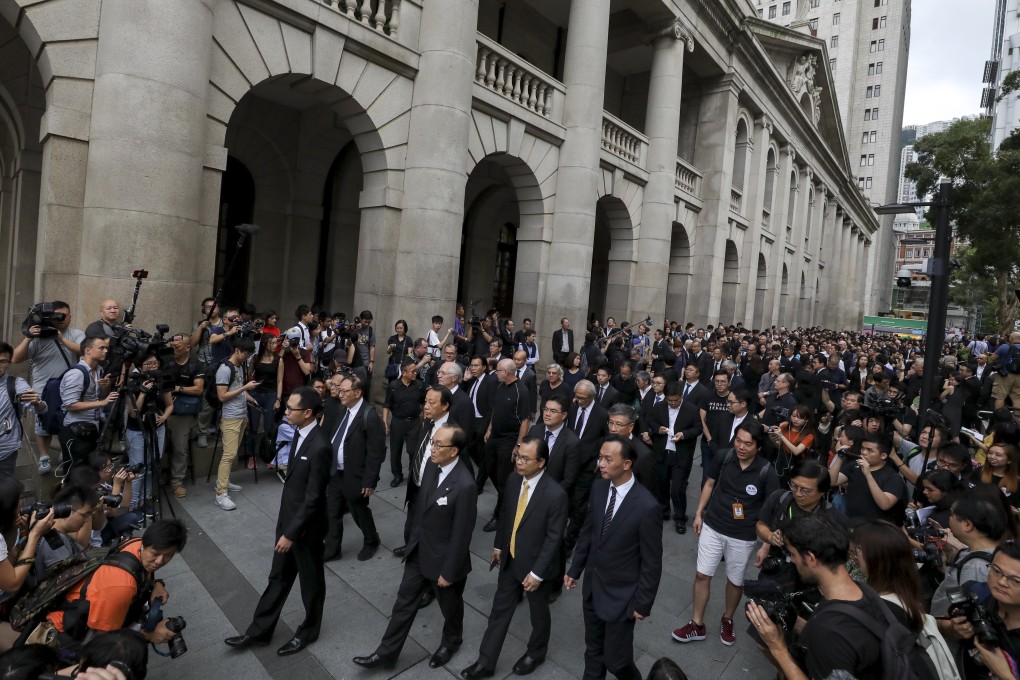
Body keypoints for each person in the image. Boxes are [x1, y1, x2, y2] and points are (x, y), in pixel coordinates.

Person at [354, 424, 477, 670]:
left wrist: (449, 572)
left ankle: (451, 641)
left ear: (454, 451)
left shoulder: (465, 485)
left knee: (450, 609)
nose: (432, 448)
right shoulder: (432, 466)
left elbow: (462, 535)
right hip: (419, 553)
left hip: (444, 562)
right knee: (403, 603)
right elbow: (421, 510)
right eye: (433, 442)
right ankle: (386, 653)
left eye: (438, 444)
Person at [225, 386, 332, 656]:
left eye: (291, 409)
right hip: (288, 523)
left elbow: (313, 498)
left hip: (305, 531)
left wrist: (291, 533)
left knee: (311, 584)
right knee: (278, 578)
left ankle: (308, 631)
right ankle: (258, 632)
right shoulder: (298, 433)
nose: (285, 412)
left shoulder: (320, 446)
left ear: (307, 413)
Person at [746, 513, 907, 680]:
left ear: (811, 558)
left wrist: (778, 648)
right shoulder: (864, 591)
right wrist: (796, 621)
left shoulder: (829, 632)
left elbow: (834, 639)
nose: (792, 561)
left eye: (793, 555)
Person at [460, 435, 569, 679]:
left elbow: (554, 539)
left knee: (538, 613)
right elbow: (507, 515)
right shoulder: (512, 480)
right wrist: (499, 546)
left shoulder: (555, 494)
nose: (518, 462)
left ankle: (536, 652)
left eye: (525, 459)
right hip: (510, 560)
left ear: (541, 462)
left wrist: (538, 573)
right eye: (518, 456)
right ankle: (485, 663)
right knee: (499, 610)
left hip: (535, 569)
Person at [564, 434, 663, 680]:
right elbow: (588, 531)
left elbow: (652, 562)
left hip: (622, 596)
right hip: (593, 587)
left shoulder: (646, 506)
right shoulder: (598, 488)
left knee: (617, 661)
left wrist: (642, 604)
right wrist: (574, 569)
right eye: (600, 458)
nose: (601, 464)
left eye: (608, 459)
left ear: (627, 464)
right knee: (593, 650)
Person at [673, 421, 779, 647]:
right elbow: (710, 484)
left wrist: (766, 544)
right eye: (738, 440)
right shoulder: (724, 457)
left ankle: (727, 618)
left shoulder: (766, 471)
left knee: (735, 580)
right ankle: (696, 623)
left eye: (747, 444)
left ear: (758, 447)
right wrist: (699, 513)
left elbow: (772, 510)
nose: (741, 446)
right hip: (713, 525)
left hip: (743, 535)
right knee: (702, 574)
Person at [46, 519, 187, 644]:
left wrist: (156, 584)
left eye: (168, 555)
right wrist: (150, 635)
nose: (159, 561)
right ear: (145, 544)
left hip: (89, 615)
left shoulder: (135, 544)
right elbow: (104, 639)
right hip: (68, 631)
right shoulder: (121, 586)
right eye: (155, 554)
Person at [9, 300, 84, 475]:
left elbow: (82, 350)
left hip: (69, 387)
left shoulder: (76, 334)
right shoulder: (38, 337)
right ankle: (44, 456)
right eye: (55, 315)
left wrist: (61, 338)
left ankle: (65, 450)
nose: (59, 319)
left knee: (67, 421)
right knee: (42, 423)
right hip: (43, 388)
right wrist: (28, 337)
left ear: (70, 317)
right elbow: (15, 359)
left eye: (63, 316)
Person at [321, 372, 385, 562]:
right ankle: (332, 549)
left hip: (355, 475)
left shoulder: (369, 416)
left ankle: (371, 540)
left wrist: (369, 480)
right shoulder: (343, 410)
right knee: (332, 512)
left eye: (344, 391)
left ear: (357, 393)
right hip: (336, 473)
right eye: (339, 390)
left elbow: (376, 452)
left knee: (358, 511)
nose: (339, 394)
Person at [753, 459, 839, 588]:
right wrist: (770, 537)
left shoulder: (831, 517)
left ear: (822, 491)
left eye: (805, 490)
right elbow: (761, 525)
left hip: (809, 579)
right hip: (776, 570)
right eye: (794, 485)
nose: (798, 493)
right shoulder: (779, 498)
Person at [946, 541, 1020, 680]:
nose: (1002, 582)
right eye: (996, 571)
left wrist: (1004, 674)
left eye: (1015, 580)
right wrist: (954, 629)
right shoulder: (976, 593)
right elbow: (941, 624)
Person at [482, 359, 532, 533]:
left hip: (509, 440)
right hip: (494, 436)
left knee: (503, 478)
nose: (496, 373)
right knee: (489, 468)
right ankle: (509, 496)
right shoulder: (500, 387)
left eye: (498, 371)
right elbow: (496, 409)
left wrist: (519, 445)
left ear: (507, 372)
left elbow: (526, 420)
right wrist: (489, 428)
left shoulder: (522, 391)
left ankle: (500, 515)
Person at [648, 383, 701, 533]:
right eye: (669, 400)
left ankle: (680, 517)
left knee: (678, 488)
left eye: (675, 400)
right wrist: (658, 429)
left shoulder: (691, 409)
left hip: (681, 455)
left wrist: (683, 434)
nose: (672, 403)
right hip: (662, 453)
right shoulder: (659, 407)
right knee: (662, 485)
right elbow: (651, 421)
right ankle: (664, 511)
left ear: (681, 397)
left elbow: (698, 428)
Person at [213, 337, 258, 511]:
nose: (247, 357)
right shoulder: (225, 369)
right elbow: (222, 396)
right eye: (246, 354)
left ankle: (223, 481)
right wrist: (245, 388)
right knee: (229, 455)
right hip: (230, 417)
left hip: (241, 415)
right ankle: (220, 493)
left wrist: (249, 397)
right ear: (237, 350)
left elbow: (236, 389)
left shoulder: (239, 366)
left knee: (231, 453)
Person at [59, 336, 117, 469]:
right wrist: (103, 403)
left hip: (91, 429)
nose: (105, 351)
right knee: (75, 474)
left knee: (88, 473)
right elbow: (70, 405)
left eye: (106, 348)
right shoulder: (77, 374)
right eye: (101, 348)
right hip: (75, 431)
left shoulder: (99, 370)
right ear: (88, 350)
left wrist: (104, 387)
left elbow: (99, 396)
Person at [123, 353, 172, 509]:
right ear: (139, 367)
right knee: (138, 468)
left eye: (155, 363)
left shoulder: (161, 381)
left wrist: (164, 417)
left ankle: (146, 499)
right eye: (148, 364)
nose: (153, 367)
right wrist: (143, 393)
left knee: (152, 465)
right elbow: (133, 413)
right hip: (137, 430)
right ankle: (134, 505)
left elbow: (170, 404)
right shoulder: (133, 384)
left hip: (158, 428)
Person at [829, 433, 906, 523]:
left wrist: (868, 474)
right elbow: (832, 481)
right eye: (862, 448)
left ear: (883, 456)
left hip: (875, 528)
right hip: (851, 523)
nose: (864, 452)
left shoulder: (893, 477)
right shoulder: (854, 466)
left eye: (870, 450)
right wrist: (840, 458)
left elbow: (885, 504)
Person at [165, 333, 204, 498]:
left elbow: (198, 389)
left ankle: (177, 482)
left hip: (182, 412)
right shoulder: (166, 362)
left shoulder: (196, 365)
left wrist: (177, 388)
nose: (174, 348)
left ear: (188, 347)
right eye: (172, 345)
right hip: (163, 408)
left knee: (180, 448)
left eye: (178, 346)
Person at [0, 342, 48, 476]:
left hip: (5, 451)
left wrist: (37, 402)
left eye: (3, 361)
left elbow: (42, 408)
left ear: (9, 363)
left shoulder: (16, 384)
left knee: (5, 490)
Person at [383, 358, 426, 488]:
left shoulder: (419, 385)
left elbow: (424, 403)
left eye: (416, 371)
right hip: (398, 422)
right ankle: (397, 475)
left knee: (413, 449)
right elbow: (387, 405)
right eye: (412, 371)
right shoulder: (394, 386)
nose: (415, 373)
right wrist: (384, 422)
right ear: (404, 372)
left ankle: (413, 474)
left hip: (414, 422)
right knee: (395, 450)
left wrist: (425, 419)